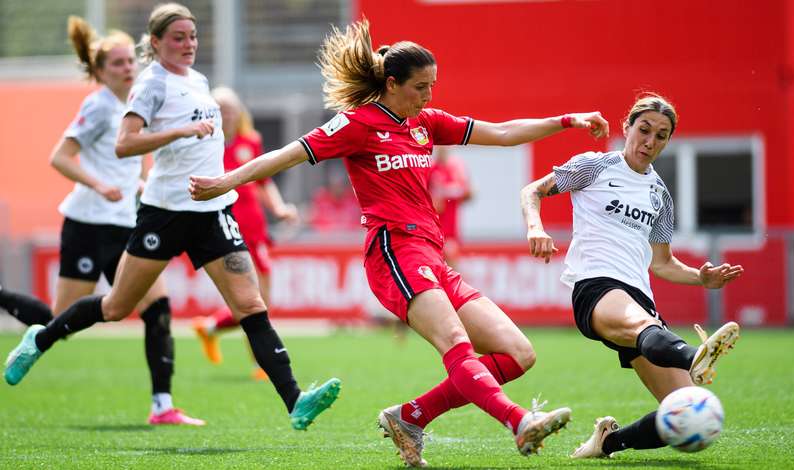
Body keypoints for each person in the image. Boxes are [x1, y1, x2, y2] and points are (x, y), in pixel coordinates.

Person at [188, 18, 609, 466]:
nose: (428, 96)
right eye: (420, 87)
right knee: (456, 343)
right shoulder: (357, 124)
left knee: (518, 353)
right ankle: (518, 421)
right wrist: (225, 182)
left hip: (432, 253)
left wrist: (568, 120)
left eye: (432, 86)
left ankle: (410, 417)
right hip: (393, 250)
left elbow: (502, 132)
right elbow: (285, 154)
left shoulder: (426, 122)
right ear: (392, 84)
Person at [4, 3, 340, 432]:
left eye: (193, 37)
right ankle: (41, 337)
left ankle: (295, 400)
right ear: (157, 42)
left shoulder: (199, 82)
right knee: (116, 306)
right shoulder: (151, 86)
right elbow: (125, 144)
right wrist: (178, 132)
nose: (189, 45)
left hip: (213, 210)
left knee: (251, 305)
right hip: (164, 213)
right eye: (178, 38)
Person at [0, 15, 203, 426]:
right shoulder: (97, 106)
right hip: (89, 223)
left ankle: (162, 405)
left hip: (128, 222)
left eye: (130, 60)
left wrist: (142, 183)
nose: (128, 68)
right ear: (99, 71)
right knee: (60, 321)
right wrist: (99, 186)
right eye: (117, 63)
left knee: (157, 308)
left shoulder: (141, 101)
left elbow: (129, 161)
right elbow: (60, 157)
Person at [519, 93, 743, 459]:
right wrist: (534, 228)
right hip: (596, 287)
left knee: (689, 414)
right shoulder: (595, 166)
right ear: (627, 128)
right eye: (644, 130)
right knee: (645, 329)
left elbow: (662, 263)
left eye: (661, 135)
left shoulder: (660, 196)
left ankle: (607, 442)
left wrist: (701, 279)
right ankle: (693, 356)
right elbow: (532, 191)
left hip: (640, 298)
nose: (650, 141)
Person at [191, 86, 298, 380]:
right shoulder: (204, 144)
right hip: (229, 227)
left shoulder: (250, 142)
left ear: (239, 113)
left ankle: (212, 327)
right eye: (221, 108)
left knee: (259, 298)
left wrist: (278, 208)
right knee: (255, 299)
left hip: (255, 226)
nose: (227, 114)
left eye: (231, 108)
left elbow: (263, 180)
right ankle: (258, 362)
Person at [428, 146, 471, 268]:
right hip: (433, 229)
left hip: (451, 230)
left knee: (451, 266)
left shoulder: (456, 168)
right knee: (435, 267)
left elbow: (469, 194)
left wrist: (455, 191)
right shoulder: (430, 168)